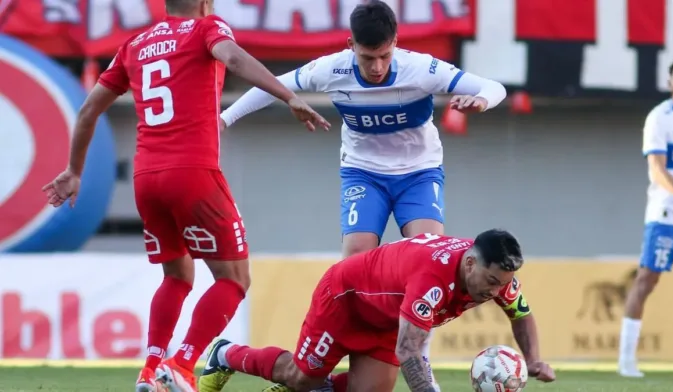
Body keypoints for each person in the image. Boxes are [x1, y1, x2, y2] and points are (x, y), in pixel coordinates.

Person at [209, 2, 506, 388]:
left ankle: (419, 360)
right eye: (368, 58)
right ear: (351, 46)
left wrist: (482, 100)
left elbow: (493, 86)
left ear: (396, 44)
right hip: (363, 176)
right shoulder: (330, 69)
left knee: (428, 259)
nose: (378, 66)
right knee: (356, 264)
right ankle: (339, 351)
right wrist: (224, 119)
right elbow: (275, 85)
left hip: (419, 174)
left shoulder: (422, 68)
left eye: (384, 55)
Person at [40, 0, 330, 391]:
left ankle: (151, 369)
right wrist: (287, 95)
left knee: (177, 275)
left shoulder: (135, 44)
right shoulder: (207, 28)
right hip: (193, 174)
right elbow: (234, 57)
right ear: (205, 1)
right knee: (235, 278)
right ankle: (182, 364)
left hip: (147, 178)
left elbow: (89, 110)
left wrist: (74, 170)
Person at [198, 231, 555, 392]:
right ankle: (226, 354)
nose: (495, 292)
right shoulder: (432, 278)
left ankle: (317, 390)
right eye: (490, 282)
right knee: (300, 376)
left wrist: (534, 359)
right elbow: (410, 351)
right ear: (471, 262)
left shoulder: (497, 277)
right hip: (345, 299)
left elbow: (520, 314)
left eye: (501, 284)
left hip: (388, 317)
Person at [618, 57, 673, 378]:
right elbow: (658, 171)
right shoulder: (659, 119)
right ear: (670, 82)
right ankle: (626, 360)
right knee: (646, 281)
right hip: (666, 217)